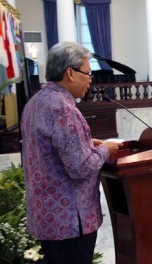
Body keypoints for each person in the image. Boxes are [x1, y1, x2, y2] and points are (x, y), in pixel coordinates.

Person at [21, 42, 122, 263]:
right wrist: (106, 148)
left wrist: (86, 141)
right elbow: (80, 167)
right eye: (88, 73)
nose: (90, 79)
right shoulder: (64, 109)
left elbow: (50, 149)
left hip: (47, 216)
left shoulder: (36, 102)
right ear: (70, 73)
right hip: (69, 221)